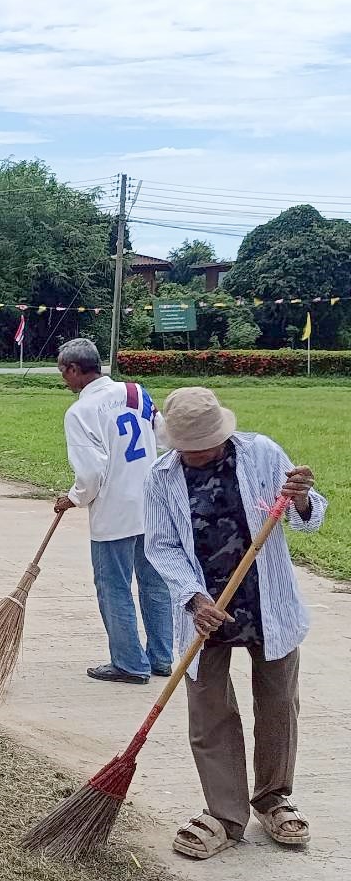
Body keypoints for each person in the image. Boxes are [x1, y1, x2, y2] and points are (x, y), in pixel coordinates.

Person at [144, 387, 325, 860]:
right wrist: (194, 598)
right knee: (209, 711)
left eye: (204, 445)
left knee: (278, 703)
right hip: (205, 611)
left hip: (268, 603)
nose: (195, 454)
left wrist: (302, 500)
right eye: (186, 448)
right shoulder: (161, 477)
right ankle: (225, 815)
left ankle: (273, 798)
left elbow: (309, 519)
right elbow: (161, 546)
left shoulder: (262, 453)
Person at [54, 337, 172, 684]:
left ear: (74, 369)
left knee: (114, 587)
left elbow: (91, 473)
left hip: (114, 511)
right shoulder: (135, 392)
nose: (63, 379)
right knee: (155, 583)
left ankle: (129, 663)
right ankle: (161, 658)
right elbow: (164, 437)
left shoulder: (81, 412)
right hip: (151, 504)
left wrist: (74, 498)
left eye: (63, 372)